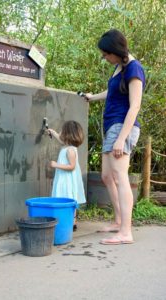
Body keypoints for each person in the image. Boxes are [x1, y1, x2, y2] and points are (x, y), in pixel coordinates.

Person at [85, 29, 145, 245]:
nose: (105, 58)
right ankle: (119, 221)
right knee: (107, 176)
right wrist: (92, 98)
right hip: (112, 125)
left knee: (119, 176)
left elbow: (135, 104)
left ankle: (126, 232)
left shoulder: (134, 68)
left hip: (122, 127)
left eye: (106, 54)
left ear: (116, 51)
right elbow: (112, 93)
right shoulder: (120, 68)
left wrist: (121, 138)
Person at [47, 120, 86, 230]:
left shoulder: (70, 151)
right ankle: (68, 221)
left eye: (62, 131)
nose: (60, 132)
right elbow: (60, 140)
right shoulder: (67, 147)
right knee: (65, 197)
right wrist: (53, 132)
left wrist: (56, 165)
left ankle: (72, 222)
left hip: (67, 180)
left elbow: (72, 166)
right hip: (64, 178)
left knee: (68, 197)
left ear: (67, 134)